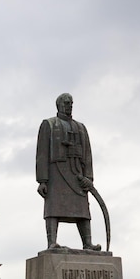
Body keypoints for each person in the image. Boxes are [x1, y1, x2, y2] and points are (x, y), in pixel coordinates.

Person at [36, 93, 101, 251]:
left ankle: (87, 243)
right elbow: (42, 154)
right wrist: (42, 180)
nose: (69, 105)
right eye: (66, 102)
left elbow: (87, 154)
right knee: (54, 208)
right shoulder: (49, 124)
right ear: (58, 105)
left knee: (83, 209)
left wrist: (89, 178)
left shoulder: (80, 127)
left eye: (71, 102)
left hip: (77, 173)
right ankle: (52, 242)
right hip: (56, 174)